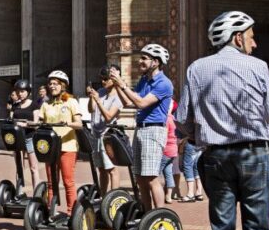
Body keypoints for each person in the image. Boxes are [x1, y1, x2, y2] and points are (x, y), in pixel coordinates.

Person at [175, 10, 269, 230]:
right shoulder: (259, 67)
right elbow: (268, 113)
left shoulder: (197, 69)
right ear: (238, 36)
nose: (255, 43)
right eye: (252, 35)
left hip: (217, 157)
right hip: (255, 155)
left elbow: (183, 120)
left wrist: (197, 133)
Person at [111, 44, 173, 210]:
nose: (141, 61)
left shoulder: (164, 83)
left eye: (145, 58)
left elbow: (141, 103)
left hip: (154, 130)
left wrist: (122, 84)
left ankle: (159, 217)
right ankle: (147, 214)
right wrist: (116, 85)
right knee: (139, 177)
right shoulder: (144, 80)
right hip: (141, 129)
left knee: (151, 177)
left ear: (156, 62)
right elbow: (129, 102)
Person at [34, 71, 83, 219]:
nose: (52, 86)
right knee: (51, 183)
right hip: (51, 149)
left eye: (55, 84)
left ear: (63, 85)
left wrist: (67, 123)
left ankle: (71, 214)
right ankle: (51, 212)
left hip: (67, 147)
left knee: (68, 181)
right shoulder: (46, 104)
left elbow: (79, 124)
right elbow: (40, 123)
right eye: (50, 84)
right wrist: (31, 124)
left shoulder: (71, 102)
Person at [86, 65, 123, 195]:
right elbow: (90, 109)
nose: (103, 82)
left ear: (113, 79)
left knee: (111, 169)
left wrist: (98, 101)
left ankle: (114, 198)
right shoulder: (100, 92)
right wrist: (92, 97)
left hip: (107, 136)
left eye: (106, 79)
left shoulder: (119, 96)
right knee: (101, 169)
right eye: (101, 79)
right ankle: (103, 196)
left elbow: (108, 117)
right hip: (95, 134)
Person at [10, 79, 42, 188]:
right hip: (18, 139)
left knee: (33, 167)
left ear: (28, 92)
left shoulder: (34, 105)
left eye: (23, 91)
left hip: (30, 138)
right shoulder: (15, 106)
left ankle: (36, 194)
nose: (20, 94)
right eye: (18, 91)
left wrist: (25, 124)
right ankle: (19, 192)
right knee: (19, 167)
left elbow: (36, 123)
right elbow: (11, 120)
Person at [161, 100, 178, 204]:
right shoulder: (173, 118)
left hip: (166, 150)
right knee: (168, 172)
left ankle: (160, 194)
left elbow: (164, 134)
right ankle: (169, 196)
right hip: (173, 150)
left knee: (158, 173)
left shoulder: (166, 119)